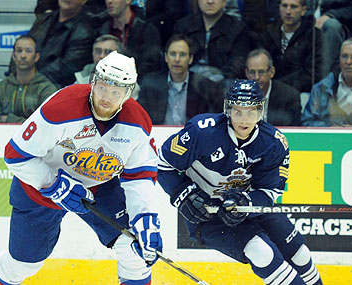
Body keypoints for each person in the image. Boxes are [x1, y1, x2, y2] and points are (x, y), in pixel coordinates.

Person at [0, 51, 163, 285]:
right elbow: (15, 155)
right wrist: (52, 183)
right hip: (40, 192)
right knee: (23, 265)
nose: (107, 97)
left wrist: (142, 215)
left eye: (117, 92)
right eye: (103, 87)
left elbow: (140, 174)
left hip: (99, 187)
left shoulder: (137, 122)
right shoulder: (61, 107)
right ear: (93, 82)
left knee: (135, 249)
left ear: (128, 93)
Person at [157, 79, 323, 285]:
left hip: (251, 208)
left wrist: (246, 203)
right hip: (208, 216)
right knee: (262, 252)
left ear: (260, 111)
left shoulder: (273, 143)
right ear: (228, 109)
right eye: (238, 111)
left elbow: (268, 192)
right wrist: (183, 194)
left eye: (251, 112)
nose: (244, 119)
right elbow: (163, 164)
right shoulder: (202, 132)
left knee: (300, 254)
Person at [138, 34, 221, 125]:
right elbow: (141, 119)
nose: (177, 59)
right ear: (166, 57)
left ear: (190, 59)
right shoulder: (151, 83)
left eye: (182, 54)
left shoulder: (204, 86)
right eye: (173, 54)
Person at [0, 35, 57, 123]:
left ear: (37, 57)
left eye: (28, 51)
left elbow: (45, 125)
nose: (23, 55)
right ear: (13, 56)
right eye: (19, 51)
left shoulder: (47, 89)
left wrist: (9, 119)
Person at [24, 0, 96, 88]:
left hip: (53, 89)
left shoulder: (84, 32)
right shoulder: (44, 20)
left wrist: (31, 78)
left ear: (84, 1)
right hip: (27, 82)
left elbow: (65, 68)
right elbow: (23, 46)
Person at [173, 0, 252, 80]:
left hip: (223, 83)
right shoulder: (182, 26)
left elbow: (237, 65)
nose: (210, 1)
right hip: (187, 80)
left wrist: (217, 80)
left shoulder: (238, 29)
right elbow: (176, 58)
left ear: (224, 2)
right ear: (198, 1)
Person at [260, 0, 325, 93]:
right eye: (284, 6)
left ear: (303, 10)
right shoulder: (268, 34)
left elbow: (313, 73)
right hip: (270, 91)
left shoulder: (314, 36)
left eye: (293, 7)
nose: (288, 11)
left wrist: (282, 87)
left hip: (301, 91)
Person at [302, 37, 352, 127]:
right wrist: (330, 129)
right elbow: (307, 123)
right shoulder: (321, 88)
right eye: (344, 56)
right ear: (339, 61)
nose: (348, 62)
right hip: (327, 140)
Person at [100, 0, 163, 83]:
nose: (109, 1)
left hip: (137, 85)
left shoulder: (147, 30)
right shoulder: (103, 29)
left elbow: (150, 65)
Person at [245, 48, 301, 126]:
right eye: (252, 72)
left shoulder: (289, 96)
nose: (256, 77)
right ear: (246, 73)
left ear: (272, 72)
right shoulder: (237, 96)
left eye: (261, 72)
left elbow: (292, 131)